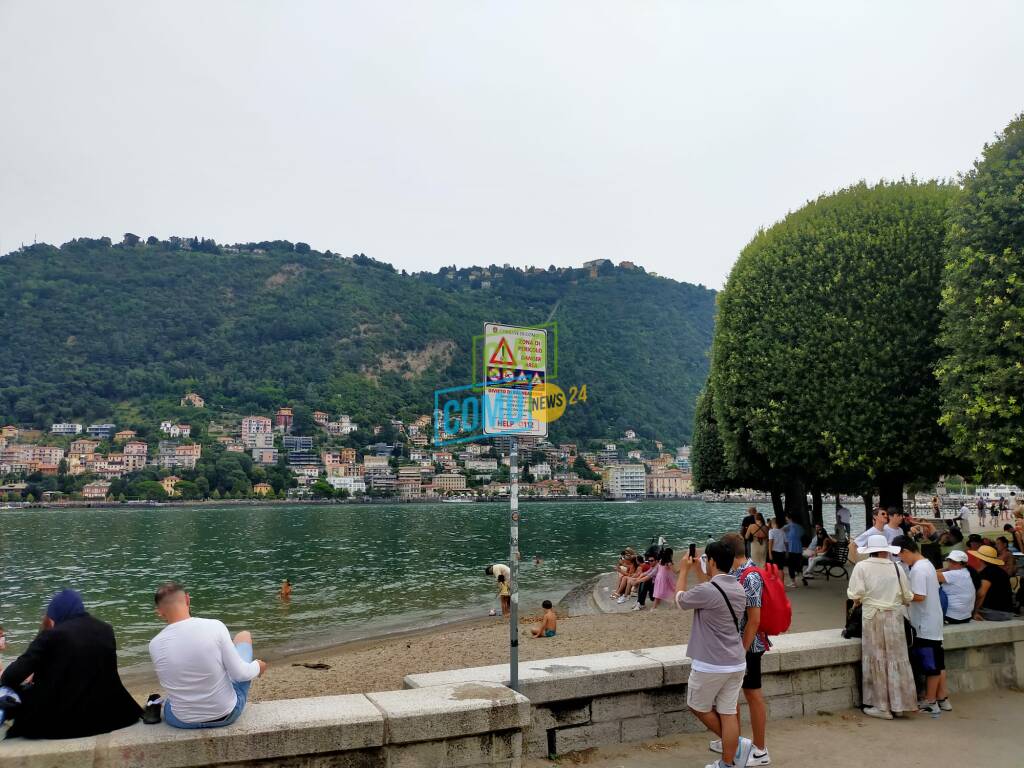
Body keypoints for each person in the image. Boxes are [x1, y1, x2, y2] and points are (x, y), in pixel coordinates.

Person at [0, 589, 141, 739]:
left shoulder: (51, 635)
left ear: (56, 613)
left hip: (61, 723)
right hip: (107, 715)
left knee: (7, 692)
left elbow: (11, 676)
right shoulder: (106, 629)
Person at [674, 542, 754, 768]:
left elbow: (680, 599)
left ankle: (736, 744)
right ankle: (727, 762)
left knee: (697, 706)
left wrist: (684, 571)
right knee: (728, 712)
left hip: (711, 664)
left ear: (712, 561)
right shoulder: (737, 588)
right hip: (736, 661)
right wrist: (700, 571)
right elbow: (710, 591)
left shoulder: (708, 591)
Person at [149, 582, 267, 729]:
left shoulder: (154, 644)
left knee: (169, 700)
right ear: (187, 599)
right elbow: (240, 675)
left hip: (181, 721)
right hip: (226, 715)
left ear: (159, 612)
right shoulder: (215, 626)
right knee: (244, 635)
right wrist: (258, 666)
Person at [713, 534, 772, 766]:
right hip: (739, 645)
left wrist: (742, 651)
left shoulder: (750, 576)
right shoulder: (737, 573)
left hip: (749, 646)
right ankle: (733, 741)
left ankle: (760, 749)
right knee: (733, 694)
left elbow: (754, 620)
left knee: (753, 693)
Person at [846, 534, 917, 720]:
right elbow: (907, 596)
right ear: (886, 550)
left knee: (877, 659)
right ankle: (899, 704)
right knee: (896, 658)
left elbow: (855, 594)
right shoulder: (897, 567)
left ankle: (882, 706)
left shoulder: (862, 567)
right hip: (894, 617)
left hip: (873, 618)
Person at [894, 536, 951, 715]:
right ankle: (943, 698)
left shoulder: (918, 570)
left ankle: (930, 701)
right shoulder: (927, 564)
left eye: (900, 556)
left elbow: (919, 596)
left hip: (924, 624)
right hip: (933, 621)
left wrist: (901, 596)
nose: (900, 560)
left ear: (905, 551)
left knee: (930, 665)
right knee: (938, 662)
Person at [972, 545, 1016, 621]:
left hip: (996, 613)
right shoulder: (1000, 571)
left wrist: (975, 612)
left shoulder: (987, 572)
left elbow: (981, 594)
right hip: (1007, 612)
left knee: (962, 614)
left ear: (979, 559)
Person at [937, 551, 974, 625]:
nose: (950, 564)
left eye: (954, 562)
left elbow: (928, 574)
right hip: (965, 616)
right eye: (949, 561)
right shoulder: (965, 572)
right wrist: (947, 569)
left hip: (953, 617)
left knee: (934, 589)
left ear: (961, 564)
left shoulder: (955, 574)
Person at [781, 514, 804, 588]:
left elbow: (779, 533)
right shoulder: (800, 527)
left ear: (789, 519)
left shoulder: (787, 526)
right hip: (799, 548)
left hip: (790, 548)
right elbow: (801, 535)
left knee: (790, 565)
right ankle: (801, 576)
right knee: (797, 564)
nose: (786, 520)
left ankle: (793, 582)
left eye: (787, 519)